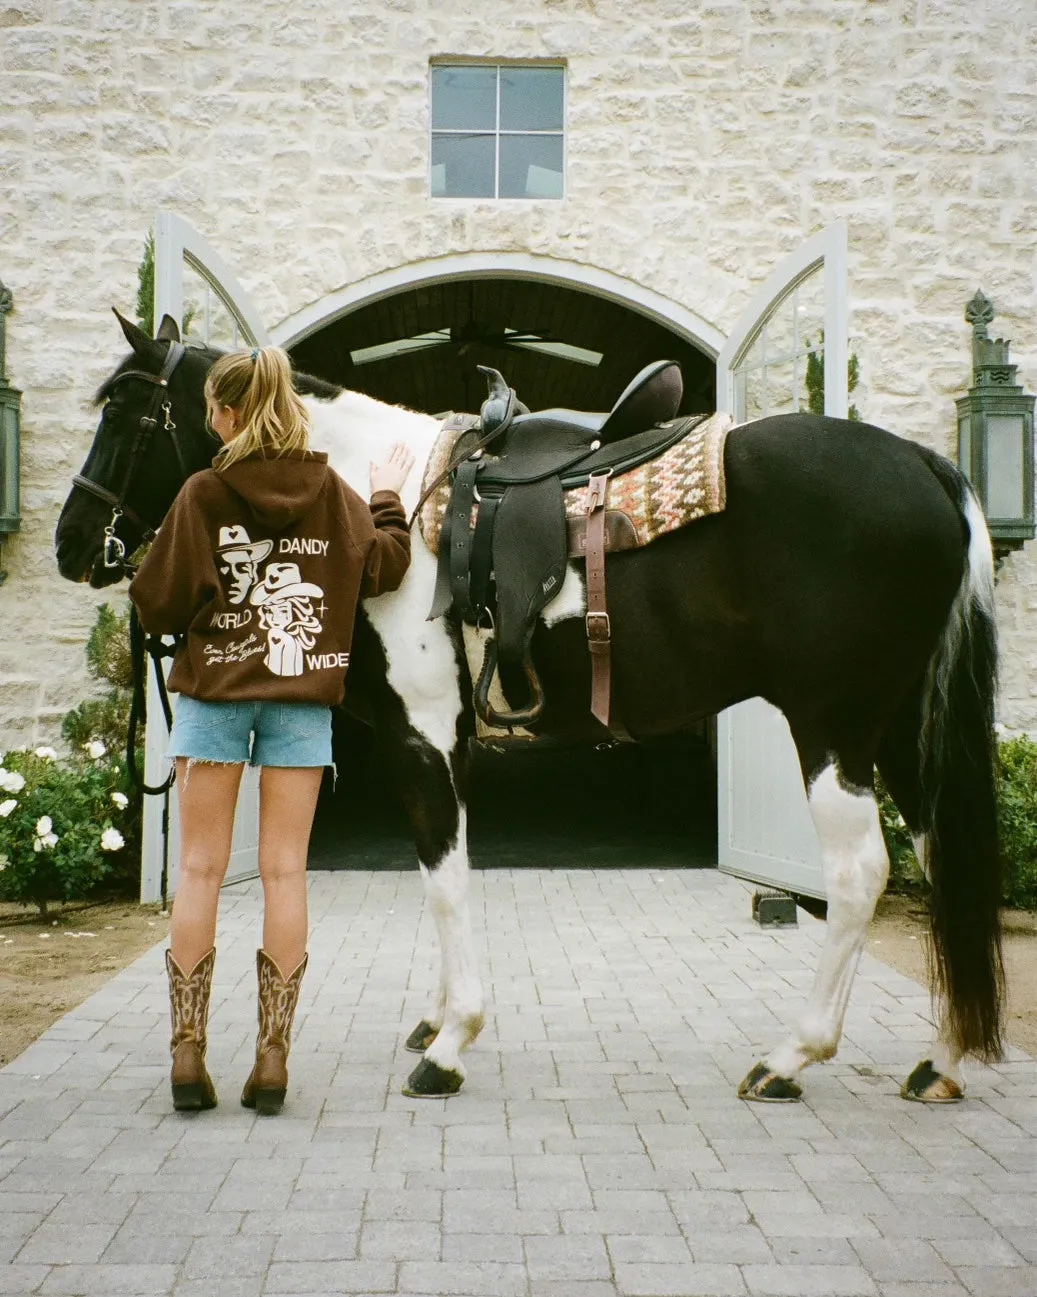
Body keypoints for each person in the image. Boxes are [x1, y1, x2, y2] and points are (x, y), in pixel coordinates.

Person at [129, 345, 414, 1115]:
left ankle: (188, 1053)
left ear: (225, 412)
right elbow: (384, 565)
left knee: (200, 870)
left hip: (215, 694)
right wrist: (386, 497)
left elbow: (155, 604)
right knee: (285, 871)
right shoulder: (330, 490)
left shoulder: (201, 492)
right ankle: (273, 1058)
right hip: (299, 699)